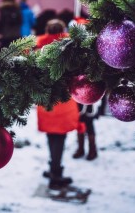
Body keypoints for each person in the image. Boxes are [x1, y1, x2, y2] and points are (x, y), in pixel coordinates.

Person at [36, 19, 79, 189]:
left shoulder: (39, 46)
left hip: (45, 99)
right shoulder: (70, 47)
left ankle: (53, 167)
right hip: (63, 101)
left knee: (51, 135)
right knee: (59, 137)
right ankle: (56, 173)